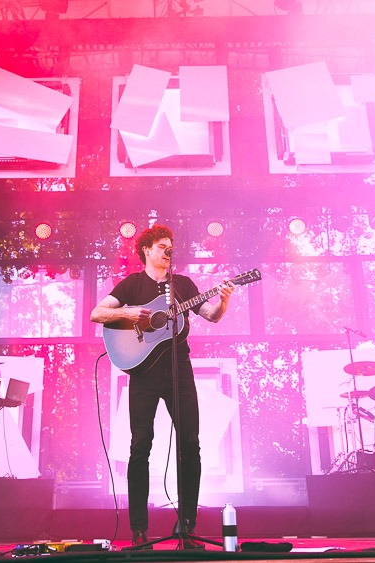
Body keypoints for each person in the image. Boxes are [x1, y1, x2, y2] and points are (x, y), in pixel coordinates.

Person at [90, 224, 235, 548]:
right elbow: (97, 313)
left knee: (190, 445)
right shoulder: (132, 284)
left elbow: (211, 315)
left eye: (171, 247)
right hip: (143, 373)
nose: (168, 251)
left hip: (178, 370)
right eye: (162, 247)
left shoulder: (182, 284)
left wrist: (223, 301)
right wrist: (128, 314)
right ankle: (139, 530)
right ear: (147, 250)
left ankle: (186, 526)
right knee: (140, 447)